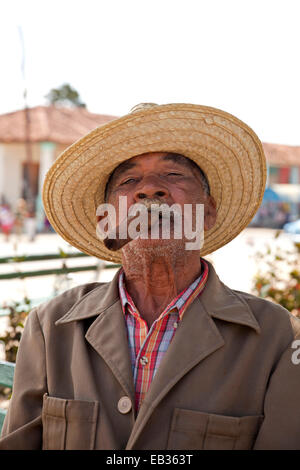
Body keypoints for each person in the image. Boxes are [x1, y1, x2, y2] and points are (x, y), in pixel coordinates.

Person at [1, 103, 300, 450]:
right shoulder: (50, 326)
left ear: (208, 212)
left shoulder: (278, 337)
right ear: (107, 222)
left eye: (173, 176)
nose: (150, 191)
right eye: (129, 181)